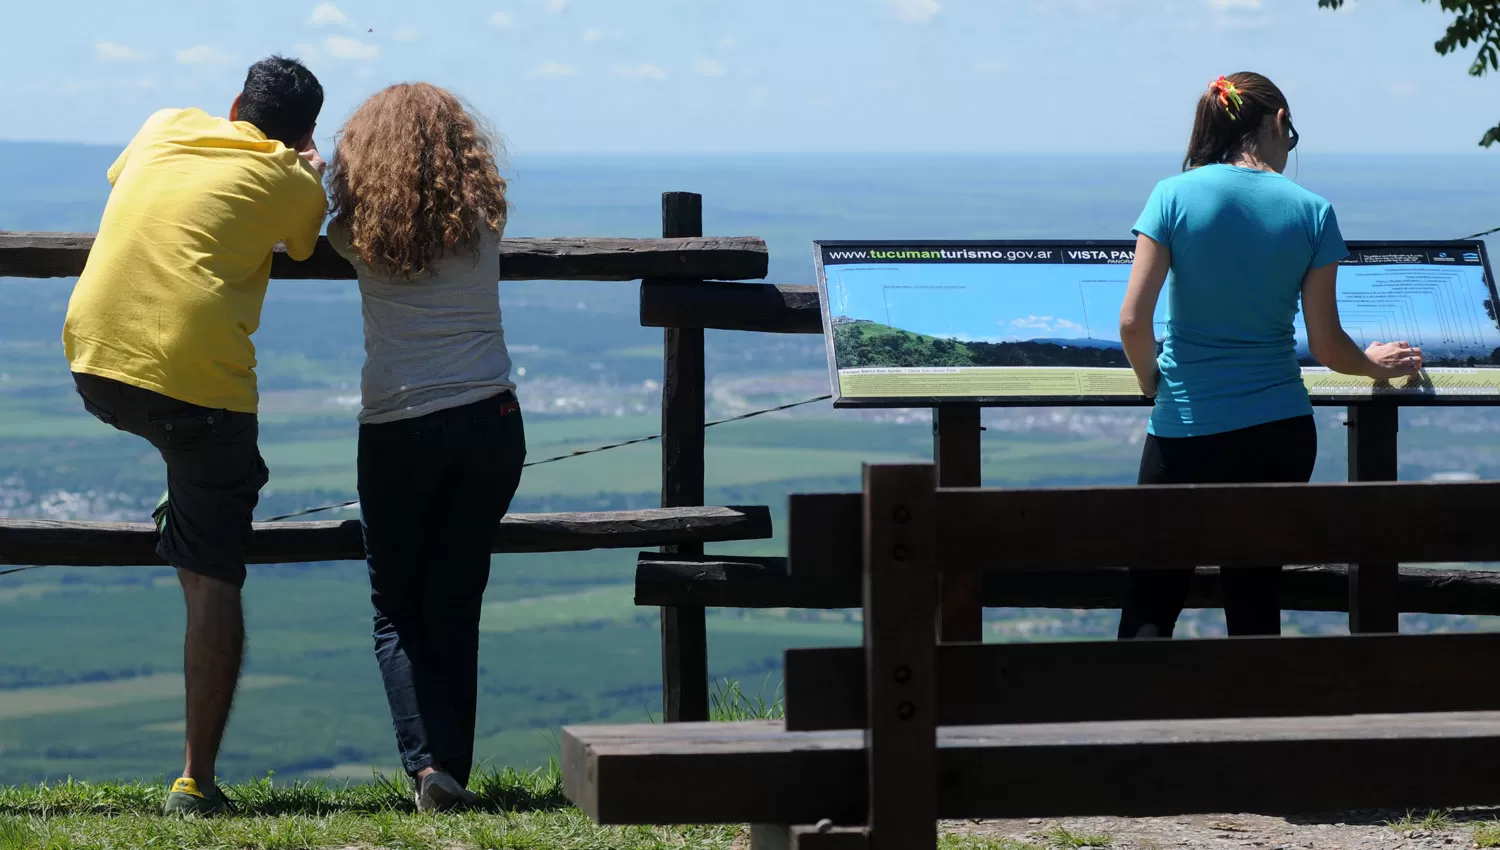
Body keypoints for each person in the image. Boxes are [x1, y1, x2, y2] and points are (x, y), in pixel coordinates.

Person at [62, 56, 328, 814]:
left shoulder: (163, 124)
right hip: (198, 390)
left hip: (95, 364)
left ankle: (186, 505)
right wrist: (309, 168)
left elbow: (130, 184)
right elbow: (305, 245)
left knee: (196, 458)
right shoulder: (293, 179)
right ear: (305, 132)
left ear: (238, 100)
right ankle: (195, 781)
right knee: (215, 571)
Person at [1116, 72, 1423, 640]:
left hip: (1187, 427)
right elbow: (1328, 346)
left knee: (1152, 600)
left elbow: (1134, 322)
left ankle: (1133, 722)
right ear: (1279, 121)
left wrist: (1153, 385)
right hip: (1279, 431)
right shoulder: (1313, 211)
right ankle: (1261, 722)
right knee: (1255, 600)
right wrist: (1380, 365)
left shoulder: (1172, 195)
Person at [325, 83, 525, 812]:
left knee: (398, 608)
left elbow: (315, 219)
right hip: (492, 419)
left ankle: (428, 769)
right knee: (455, 597)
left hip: (398, 428)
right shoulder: (485, 216)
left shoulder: (356, 235)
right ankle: (454, 772)